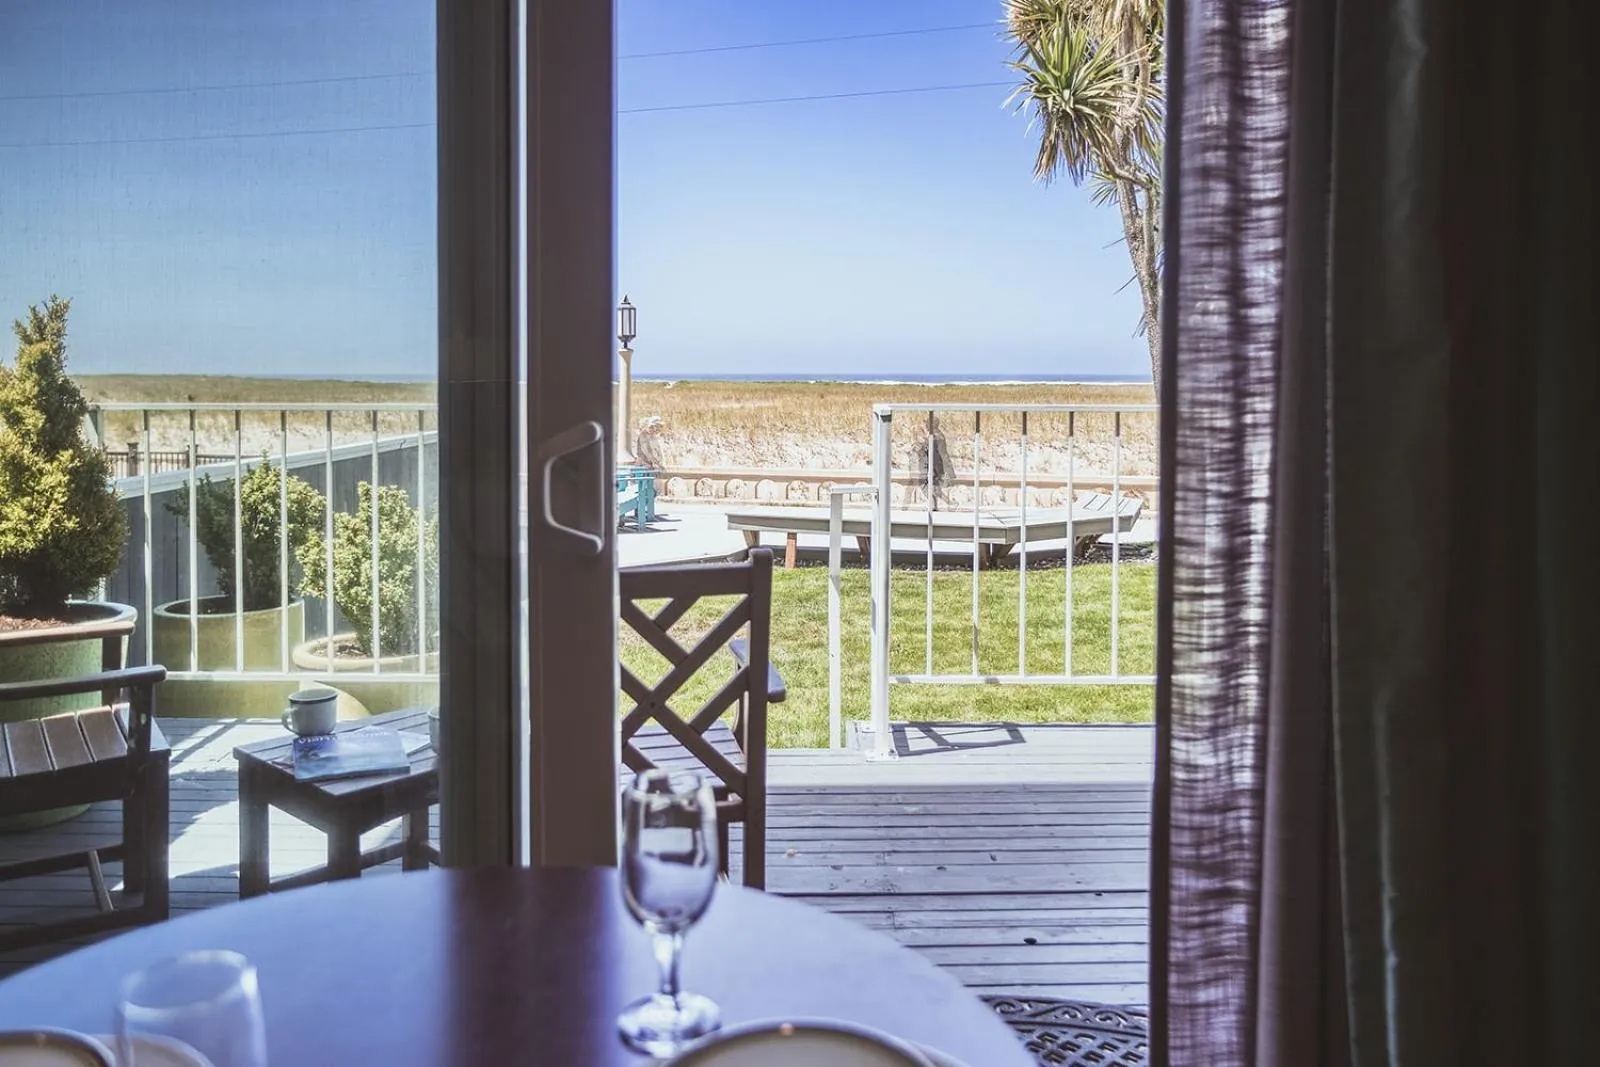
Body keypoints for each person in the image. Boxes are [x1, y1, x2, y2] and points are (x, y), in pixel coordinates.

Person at [910, 415, 952, 508]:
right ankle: (935, 504)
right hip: (934, 465)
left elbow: (930, 449)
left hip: (934, 466)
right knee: (932, 487)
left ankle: (943, 503)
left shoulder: (935, 436)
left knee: (926, 485)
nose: (925, 424)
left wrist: (919, 446)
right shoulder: (935, 434)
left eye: (927, 423)